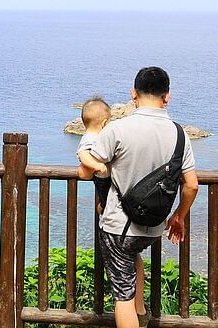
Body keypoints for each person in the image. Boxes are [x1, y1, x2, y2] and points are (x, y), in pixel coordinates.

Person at [81, 67, 199, 328]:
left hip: (117, 227)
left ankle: (135, 314)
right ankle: (142, 314)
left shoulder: (118, 129)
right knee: (133, 261)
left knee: (122, 295)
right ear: (167, 97)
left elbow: (90, 169)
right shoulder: (180, 135)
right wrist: (178, 216)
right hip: (153, 227)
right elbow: (191, 186)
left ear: (133, 94)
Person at [76, 97, 111, 214]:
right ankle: (102, 207)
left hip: (103, 178)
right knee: (105, 199)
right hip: (103, 179)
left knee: (106, 199)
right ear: (105, 123)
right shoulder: (90, 138)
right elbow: (83, 154)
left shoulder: (94, 137)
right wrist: (96, 166)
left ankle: (102, 206)